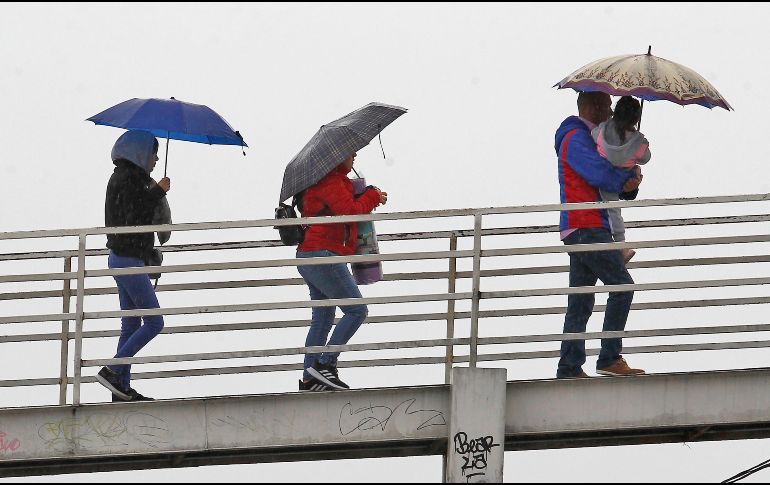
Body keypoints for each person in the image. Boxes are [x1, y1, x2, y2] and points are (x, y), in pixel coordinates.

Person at [555, 91, 645, 379]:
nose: (610, 110)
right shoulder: (575, 137)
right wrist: (624, 177)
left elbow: (604, 177)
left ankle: (569, 366)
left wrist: (628, 178)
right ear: (592, 106)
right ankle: (609, 357)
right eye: (606, 104)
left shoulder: (586, 137)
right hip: (588, 224)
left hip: (583, 225)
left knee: (580, 301)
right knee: (622, 287)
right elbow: (597, 174)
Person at [295, 152, 387, 391]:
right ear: (336, 157)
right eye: (350, 152)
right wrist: (373, 196)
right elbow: (350, 211)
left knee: (323, 319)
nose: (355, 154)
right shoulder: (331, 181)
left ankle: (309, 378)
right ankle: (326, 364)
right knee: (357, 310)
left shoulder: (330, 181)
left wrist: (367, 194)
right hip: (323, 255)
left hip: (311, 255)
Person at [96, 130, 171, 401]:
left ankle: (121, 390)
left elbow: (130, 222)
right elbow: (134, 217)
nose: (156, 158)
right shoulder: (128, 179)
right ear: (140, 152)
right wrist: (157, 193)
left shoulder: (124, 177)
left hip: (123, 257)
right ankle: (114, 370)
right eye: (153, 153)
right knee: (154, 322)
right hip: (127, 259)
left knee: (130, 326)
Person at [591, 95, 651, 263]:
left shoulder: (602, 131)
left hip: (607, 177)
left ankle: (620, 244)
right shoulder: (637, 142)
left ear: (615, 112)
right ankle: (620, 247)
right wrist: (640, 139)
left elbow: (593, 135)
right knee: (616, 210)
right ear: (636, 118)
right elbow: (646, 157)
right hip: (625, 178)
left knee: (613, 212)